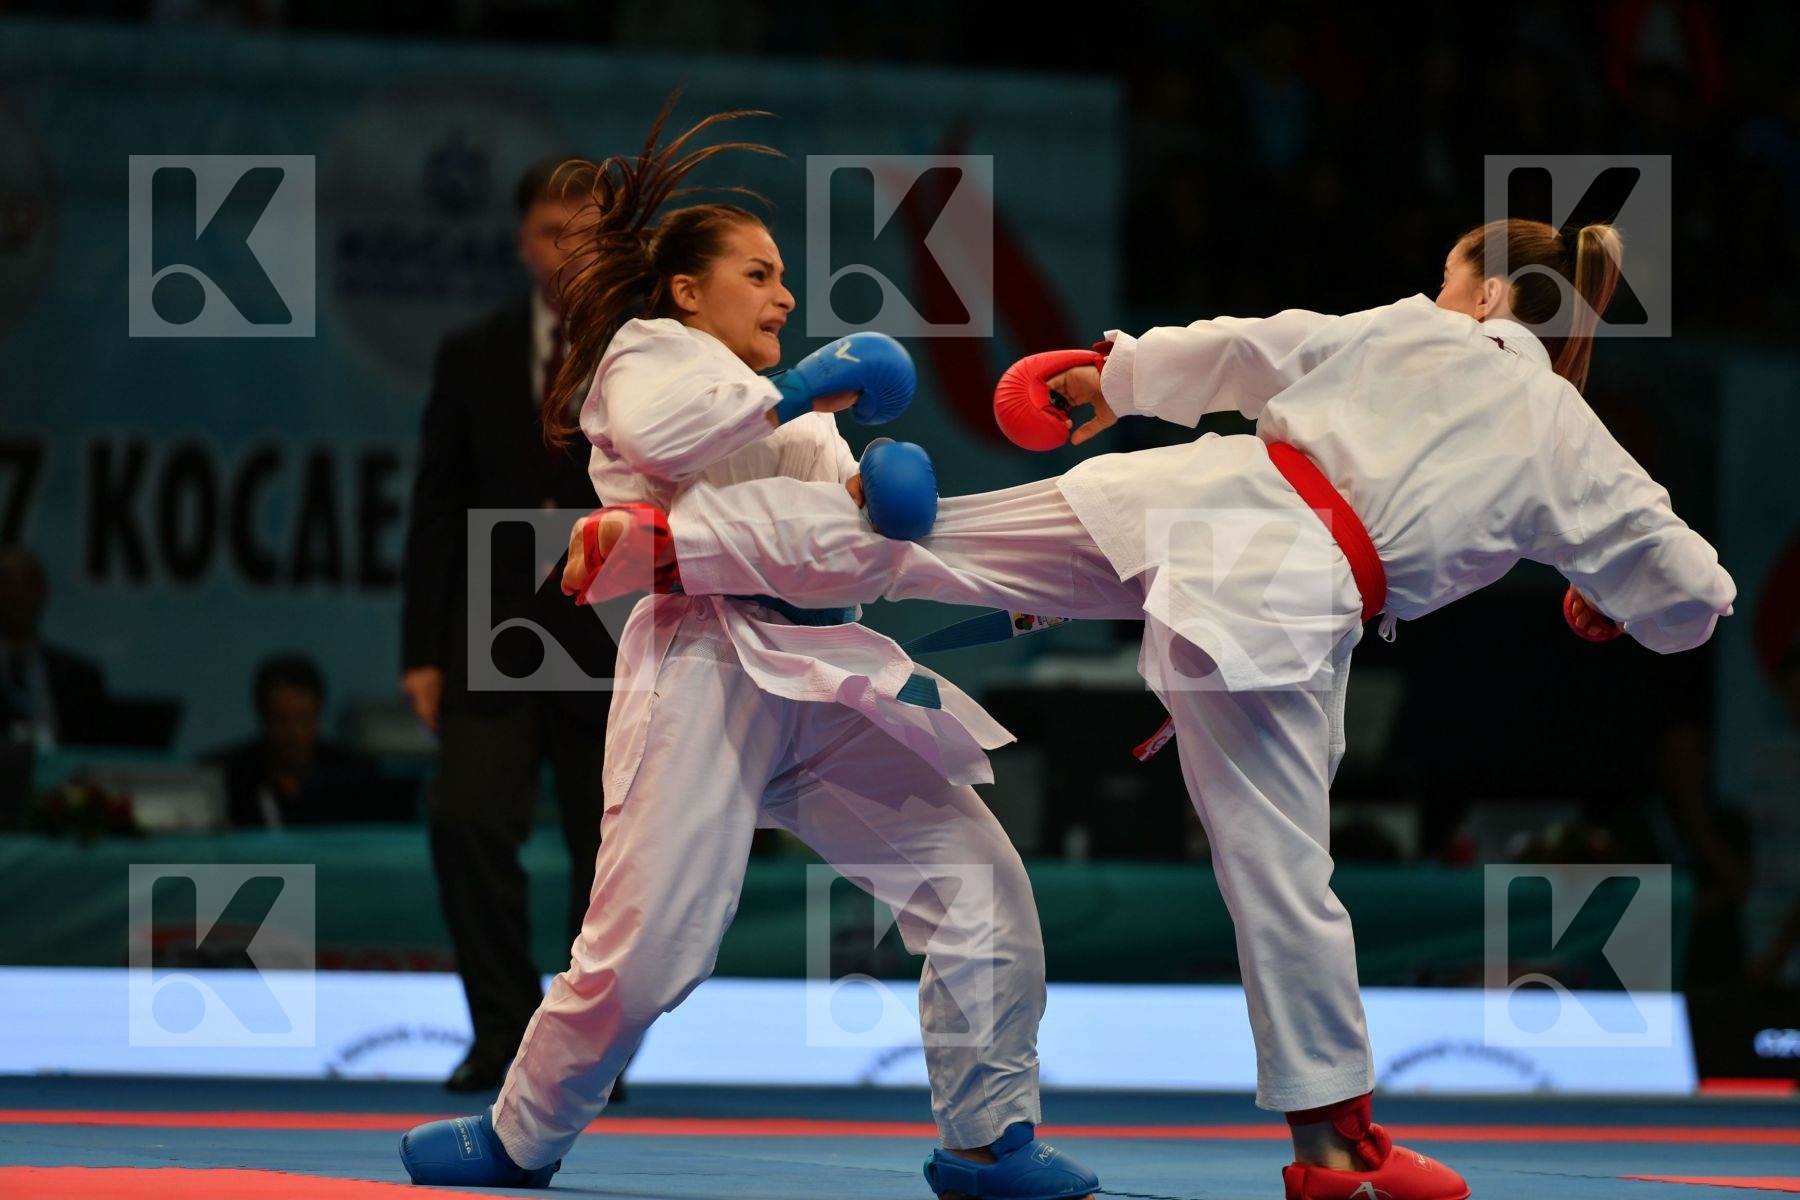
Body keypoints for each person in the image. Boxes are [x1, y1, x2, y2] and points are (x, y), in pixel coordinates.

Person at [577, 218, 1737, 1200]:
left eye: (1449, 280)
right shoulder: (1574, 438)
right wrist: (1618, 609)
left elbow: (1253, 349)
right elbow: (1694, 594)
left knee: (932, 542)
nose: (1442, 296)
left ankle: (674, 545)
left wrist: (1109, 376)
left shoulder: (1414, 326)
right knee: (1283, 878)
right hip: (1280, 607)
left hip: (1187, 495)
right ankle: (1333, 1146)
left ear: (1482, 291)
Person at [399, 102, 1099, 1200]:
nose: (783, 295)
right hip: (702, 675)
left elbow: (837, 552)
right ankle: (515, 1138)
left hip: (824, 681)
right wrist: (807, 384)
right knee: (651, 953)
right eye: (760, 274)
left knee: (982, 890)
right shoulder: (645, 356)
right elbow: (680, 436)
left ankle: (985, 1140)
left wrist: (882, 500)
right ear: (687, 290)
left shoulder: (803, 413)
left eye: (785, 280)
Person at [398, 158, 619, 1094]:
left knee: (607, 845)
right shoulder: (474, 350)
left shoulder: (643, 350)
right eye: (551, 233)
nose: (569, 251)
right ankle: (500, 1031)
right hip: (493, 595)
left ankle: (585, 1051)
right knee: (468, 818)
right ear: (524, 242)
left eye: (587, 232)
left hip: (610, 603)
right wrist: (420, 650)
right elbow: (435, 506)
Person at [204, 653, 395, 828]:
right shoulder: (226, 777)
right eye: (281, 719)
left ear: (318, 713)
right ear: (262, 716)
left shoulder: (355, 776)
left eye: (303, 718)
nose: (292, 733)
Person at [0, 545, 111, 747]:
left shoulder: (80, 678)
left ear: (44, 591)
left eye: (28, 584)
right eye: (8, 584)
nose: (19, 595)